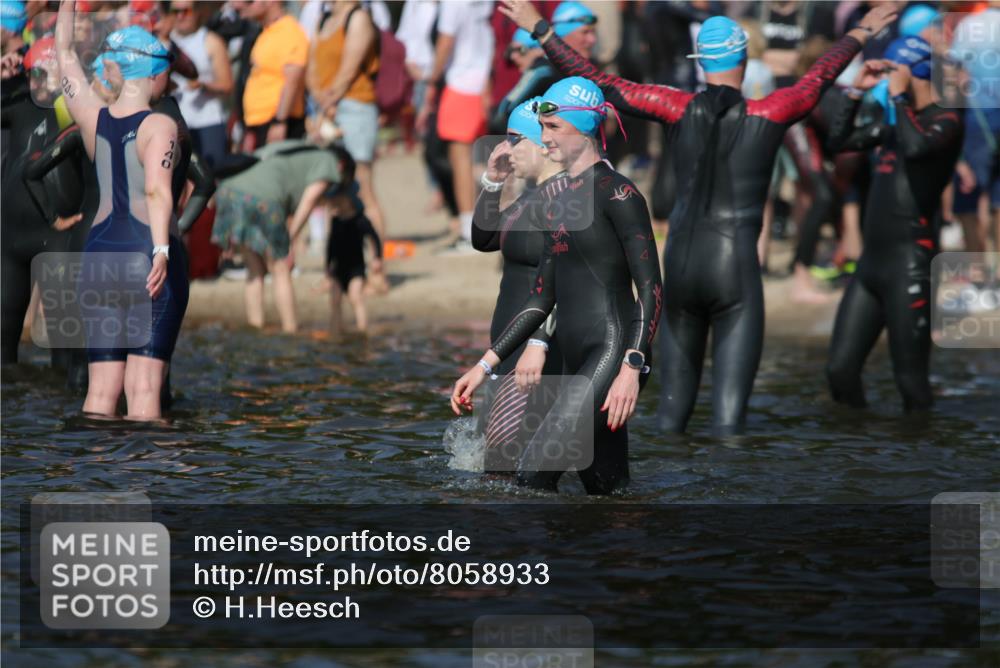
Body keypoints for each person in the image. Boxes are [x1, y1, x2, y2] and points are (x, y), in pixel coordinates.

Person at [500, 0, 898, 435]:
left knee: (670, 423)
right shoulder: (772, 111)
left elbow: (601, 82)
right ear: (745, 59)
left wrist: (541, 30)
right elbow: (818, 78)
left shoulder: (674, 106)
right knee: (729, 429)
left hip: (682, 270)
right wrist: (860, 31)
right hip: (735, 270)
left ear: (700, 61)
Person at [451, 77, 662, 495]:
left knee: (531, 479)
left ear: (583, 129)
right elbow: (541, 297)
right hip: (575, 359)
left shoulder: (619, 193)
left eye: (552, 128)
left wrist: (631, 367)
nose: (542, 138)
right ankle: (627, 556)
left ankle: (535, 562)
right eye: (541, 129)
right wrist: (485, 365)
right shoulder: (558, 202)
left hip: (612, 353)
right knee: (608, 492)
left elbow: (651, 288)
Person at [55, 4, 188, 420]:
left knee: (100, 391)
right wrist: (162, 249)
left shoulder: (92, 117)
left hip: (98, 257)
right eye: (166, 66)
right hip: (145, 254)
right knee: (144, 388)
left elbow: (63, 55)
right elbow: (157, 190)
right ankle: (144, 481)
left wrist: (66, 4)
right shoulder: (160, 127)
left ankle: (98, 480)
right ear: (150, 72)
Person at [825, 37, 964, 412]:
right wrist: (855, 92)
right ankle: (860, 453)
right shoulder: (891, 128)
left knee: (910, 380)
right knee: (840, 372)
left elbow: (917, 149)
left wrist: (900, 99)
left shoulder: (948, 119)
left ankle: (919, 463)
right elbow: (838, 142)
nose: (887, 81)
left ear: (912, 73)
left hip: (911, 265)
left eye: (892, 71)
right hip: (872, 265)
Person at [472, 97, 564, 472]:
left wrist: (539, 342)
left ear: (543, 143)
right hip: (507, 350)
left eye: (514, 139)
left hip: (534, 353)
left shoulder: (563, 202)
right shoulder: (532, 199)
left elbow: (562, 282)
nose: (504, 148)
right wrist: (493, 183)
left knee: (507, 473)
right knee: (496, 469)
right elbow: (483, 239)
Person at [211, 139, 344, 333]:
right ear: (342, 165)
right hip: (264, 201)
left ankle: (255, 329)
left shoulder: (293, 147)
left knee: (254, 268)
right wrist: (290, 237)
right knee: (280, 268)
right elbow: (309, 201)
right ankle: (291, 330)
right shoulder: (329, 161)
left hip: (228, 192)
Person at [307, 0, 387, 288]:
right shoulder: (324, 18)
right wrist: (320, 106)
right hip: (327, 109)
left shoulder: (358, 17)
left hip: (355, 107)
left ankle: (377, 270)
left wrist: (328, 103)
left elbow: (349, 70)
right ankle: (336, 271)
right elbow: (313, 67)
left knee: (362, 187)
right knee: (332, 191)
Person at [419, 0, 494, 255]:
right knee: (477, 161)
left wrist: (432, 78)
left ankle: (468, 232)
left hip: (461, 83)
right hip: (482, 82)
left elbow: (445, 42)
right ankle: (482, 225)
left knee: (460, 159)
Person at [322, 146, 383, 334]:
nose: (335, 206)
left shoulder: (360, 220)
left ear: (350, 200)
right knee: (335, 300)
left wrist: (377, 258)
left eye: (338, 202)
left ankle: (362, 329)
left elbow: (374, 238)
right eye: (333, 203)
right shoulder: (335, 220)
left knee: (356, 297)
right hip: (337, 268)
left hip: (356, 267)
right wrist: (327, 267)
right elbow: (330, 245)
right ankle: (335, 329)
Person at [169, 0, 232, 169]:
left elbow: (227, 85)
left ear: (197, 12)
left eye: (186, 11)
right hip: (176, 121)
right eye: (176, 11)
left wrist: (203, 85)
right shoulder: (165, 40)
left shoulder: (210, 41)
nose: (180, 16)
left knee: (210, 175)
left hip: (207, 121)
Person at [237, 0, 308, 151]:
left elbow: (292, 82)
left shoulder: (289, 31)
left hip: (278, 123)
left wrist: (279, 122)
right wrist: (250, 128)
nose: (241, 5)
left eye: (249, 1)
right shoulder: (266, 32)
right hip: (259, 123)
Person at [487, 29, 558, 135]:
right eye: (511, 50)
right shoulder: (551, 69)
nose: (513, 56)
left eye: (521, 50)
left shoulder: (541, 72)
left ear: (539, 50)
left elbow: (505, 111)